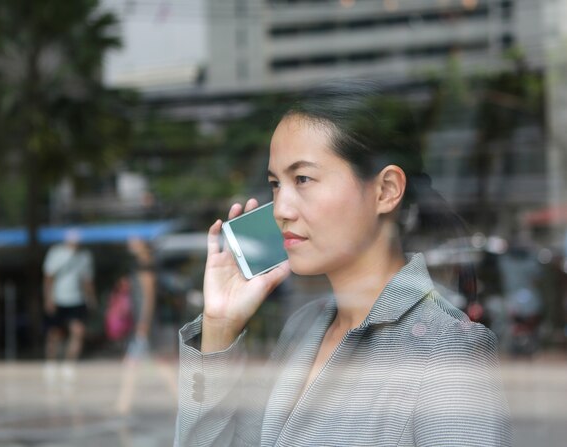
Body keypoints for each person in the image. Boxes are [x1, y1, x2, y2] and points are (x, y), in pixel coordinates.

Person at [174, 81, 512, 446]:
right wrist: (220, 327)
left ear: (385, 190)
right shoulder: (303, 327)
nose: (282, 210)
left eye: (302, 179)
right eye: (275, 184)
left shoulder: (446, 350)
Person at [42, 229, 96, 384]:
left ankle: (69, 365)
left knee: (78, 331)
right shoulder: (56, 253)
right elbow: (48, 278)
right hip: (58, 299)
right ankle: (51, 364)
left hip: (77, 300)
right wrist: (48, 298)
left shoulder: (84, 257)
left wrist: (91, 299)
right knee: (54, 334)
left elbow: (87, 280)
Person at [115, 237, 158, 414]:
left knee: (131, 365)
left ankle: (122, 406)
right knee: (156, 366)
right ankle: (122, 405)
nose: (129, 241)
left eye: (134, 238)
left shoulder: (145, 267)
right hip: (141, 324)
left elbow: (149, 298)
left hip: (143, 324)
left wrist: (143, 324)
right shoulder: (142, 265)